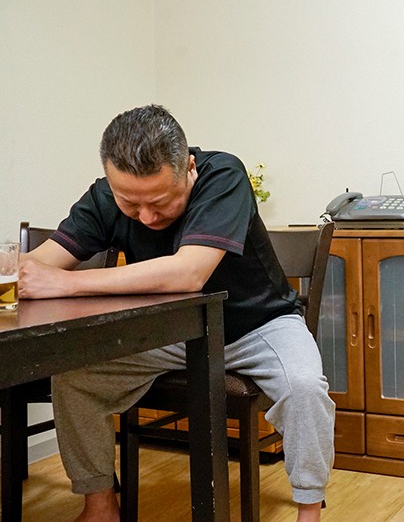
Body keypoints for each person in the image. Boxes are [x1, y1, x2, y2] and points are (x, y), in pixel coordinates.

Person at [18, 104, 334, 522]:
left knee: (305, 387)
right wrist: (20, 272)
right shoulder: (105, 195)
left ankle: (309, 509)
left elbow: (189, 273)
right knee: (74, 378)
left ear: (189, 169)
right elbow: (37, 266)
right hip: (173, 333)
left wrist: (66, 283)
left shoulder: (224, 175)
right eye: (130, 204)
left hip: (260, 327)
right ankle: (100, 505)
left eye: (162, 202)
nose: (147, 217)